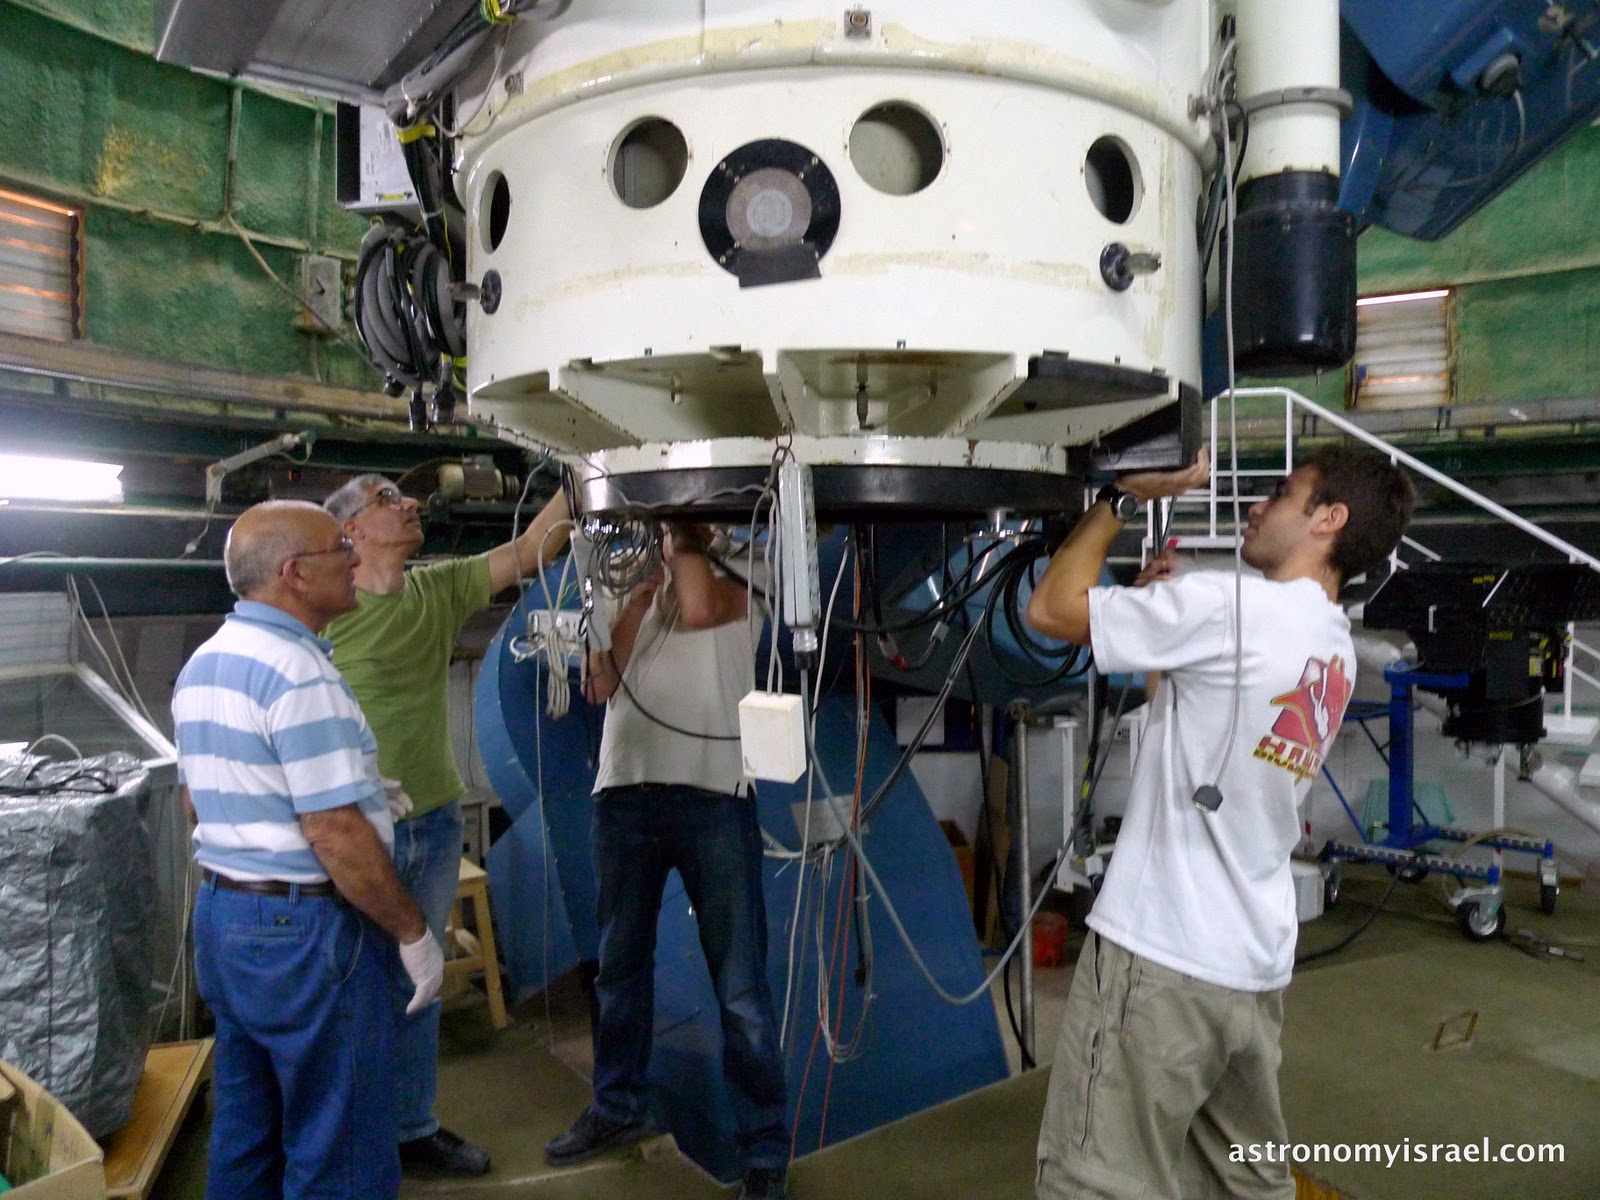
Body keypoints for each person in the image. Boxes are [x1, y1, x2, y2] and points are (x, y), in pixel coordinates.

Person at [1024, 445, 1414, 1200]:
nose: (1255, 508)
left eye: (1281, 494)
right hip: (1250, 964)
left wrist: (1120, 499)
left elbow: (1050, 608)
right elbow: (1209, 713)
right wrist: (1161, 631)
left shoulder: (1232, 605)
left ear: (1328, 520)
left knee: (1097, 1180)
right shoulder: (1332, 647)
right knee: (1243, 1182)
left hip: (1163, 955)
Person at [172, 501, 445, 1200]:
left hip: (226, 921)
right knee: (340, 1146)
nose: (355, 559)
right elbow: (332, 833)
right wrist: (412, 932)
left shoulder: (206, 662)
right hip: (305, 937)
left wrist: (357, 792)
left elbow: (202, 798)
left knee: (246, 1131)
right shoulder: (300, 675)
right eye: (339, 549)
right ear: (294, 573)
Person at [320, 472, 571, 1176]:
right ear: (352, 532)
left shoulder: (435, 588)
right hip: (352, 832)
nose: (409, 504)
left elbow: (529, 550)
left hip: (430, 822)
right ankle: (345, 1140)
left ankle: (411, 1126)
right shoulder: (324, 608)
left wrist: (583, 475)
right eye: (386, 499)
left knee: (417, 987)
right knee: (347, 988)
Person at [544, 522, 790, 1200]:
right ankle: (617, 1106)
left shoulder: (750, 565)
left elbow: (707, 607)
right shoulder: (629, 578)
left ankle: (764, 1147)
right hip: (624, 790)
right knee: (619, 970)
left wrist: (682, 544)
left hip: (714, 793)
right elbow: (600, 684)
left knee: (740, 988)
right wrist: (626, 600)